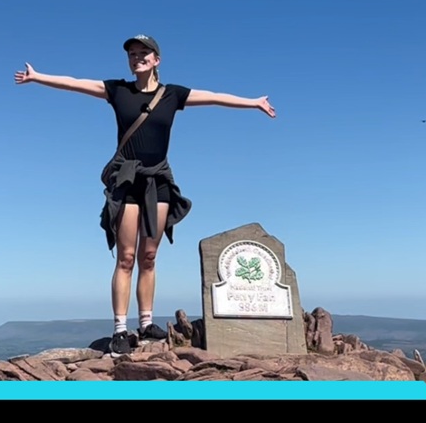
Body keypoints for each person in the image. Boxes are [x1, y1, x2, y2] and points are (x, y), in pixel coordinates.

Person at [15, 35, 276, 357]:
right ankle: (121, 329)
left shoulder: (172, 95)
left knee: (149, 257)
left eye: (143, 54)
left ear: (156, 60)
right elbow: (75, 83)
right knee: (126, 257)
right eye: (132, 54)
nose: (136, 58)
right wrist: (38, 77)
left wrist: (253, 102)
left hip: (159, 181)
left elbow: (214, 97)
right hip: (126, 181)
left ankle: (147, 322)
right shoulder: (118, 91)